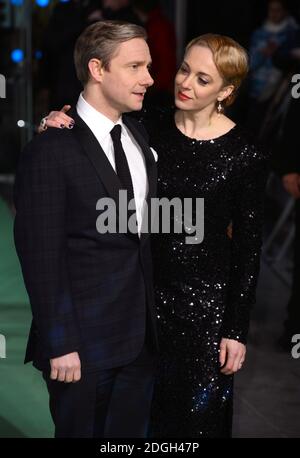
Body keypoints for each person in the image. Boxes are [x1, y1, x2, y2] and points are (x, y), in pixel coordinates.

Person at [40, 33, 270, 437]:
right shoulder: (146, 124)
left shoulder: (245, 155)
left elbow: (249, 248)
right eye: (184, 69)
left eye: (203, 79)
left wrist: (235, 328)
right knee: (135, 424)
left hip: (203, 313)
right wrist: (57, 119)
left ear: (226, 91)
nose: (185, 83)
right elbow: (94, 129)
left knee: (193, 425)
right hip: (140, 304)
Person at [14, 21, 158, 438]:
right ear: (97, 69)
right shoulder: (50, 150)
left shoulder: (139, 131)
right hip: (82, 348)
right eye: (135, 67)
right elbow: (40, 255)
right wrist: (60, 342)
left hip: (141, 340)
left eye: (148, 66)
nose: (148, 78)